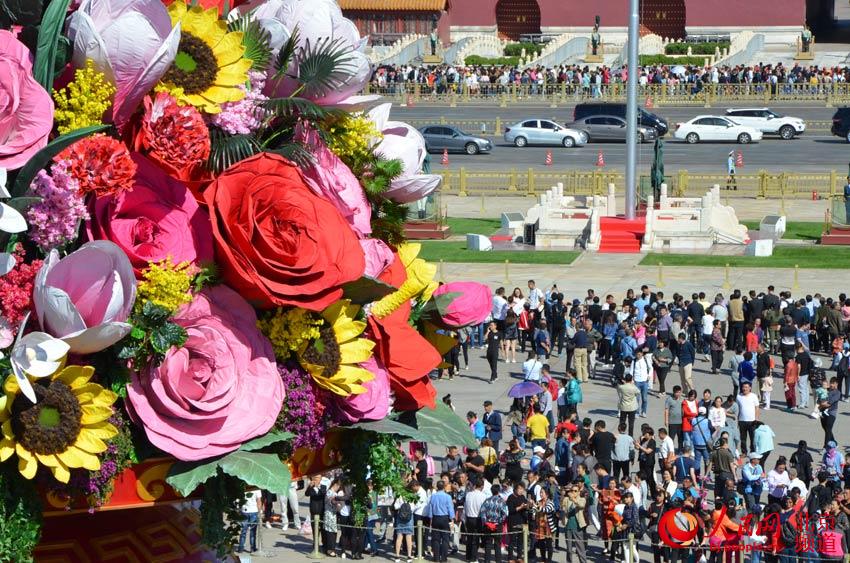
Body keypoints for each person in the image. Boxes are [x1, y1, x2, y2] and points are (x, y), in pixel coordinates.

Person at [479, 484, 508, 563]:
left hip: (488, 525)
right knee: (497, 544)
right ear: (498, 491)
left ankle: (487, 561)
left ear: (491, 491)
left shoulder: (487, 500)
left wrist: (486, 522)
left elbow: (482, 512)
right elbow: (505, 513)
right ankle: (498, 561)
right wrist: (498, 522)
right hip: (498, 525)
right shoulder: (501, 501)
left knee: (488, 544)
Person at [427, 480, 455, 563]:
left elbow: (430, 509)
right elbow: (450, 509)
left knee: (436, 539)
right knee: (445, 539)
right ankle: (443, 558)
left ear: (437, 487)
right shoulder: (447, 497)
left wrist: (431, 519)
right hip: (444, 518)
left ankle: (436, 558)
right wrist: (452, 519)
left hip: (435, 518)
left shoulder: (433, 496)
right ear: (444, 487)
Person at [562, 484, 588, 563]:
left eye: (575, 491)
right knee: (569, 549)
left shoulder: (582, 499)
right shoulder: (566, 499)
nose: (573, 492)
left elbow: (581, 506)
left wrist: (573, 499)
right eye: (572, 490)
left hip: (577, 526)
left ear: (579, 492)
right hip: (568, 525)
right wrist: (564, 496)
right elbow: (563, 509)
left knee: (580, 548)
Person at [393, 484, 415, 563]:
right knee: (409, 538)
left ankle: (397, 556)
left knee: (399, 537)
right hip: (409, 518)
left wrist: (401, 506)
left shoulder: (400, 495)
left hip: (400, 517)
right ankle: (409, 556)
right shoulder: (412, 496)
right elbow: (413, 508)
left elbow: (395, 506)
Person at [736, 382, 760, 454]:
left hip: (752, 421)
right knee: (743, 438)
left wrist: (756, 419)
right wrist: (737, 420)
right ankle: (744, 452)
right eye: (743, 387)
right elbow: (737, 409)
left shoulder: (754, 396)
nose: (744, 389)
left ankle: (753, 451)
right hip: (742, 420)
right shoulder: (738, 396)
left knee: (753, 438)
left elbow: (757, 408)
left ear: (750, 388)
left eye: (746, 387)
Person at [238, 488, 264, 554]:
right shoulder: (257, 489)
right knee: (253, 532)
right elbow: (259, 501)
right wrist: (260, 512)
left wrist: (239, 510)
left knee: (243, 531)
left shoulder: (243, 487)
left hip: (244, 511)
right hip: (254, 511)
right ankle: (253, 548)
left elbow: (239, 500)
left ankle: (240, 548)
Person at [820, 377, 841, 448]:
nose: (831, 385)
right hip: (823, 411)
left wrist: (821, 404)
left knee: (828, 428)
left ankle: (825, 447)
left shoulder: (838, 393)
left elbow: (829, 403)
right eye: (831, 383)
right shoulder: (826, 390)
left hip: (832, 413)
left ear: (836, 384)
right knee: (825, 428)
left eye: (833, 383)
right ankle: (834, 442)